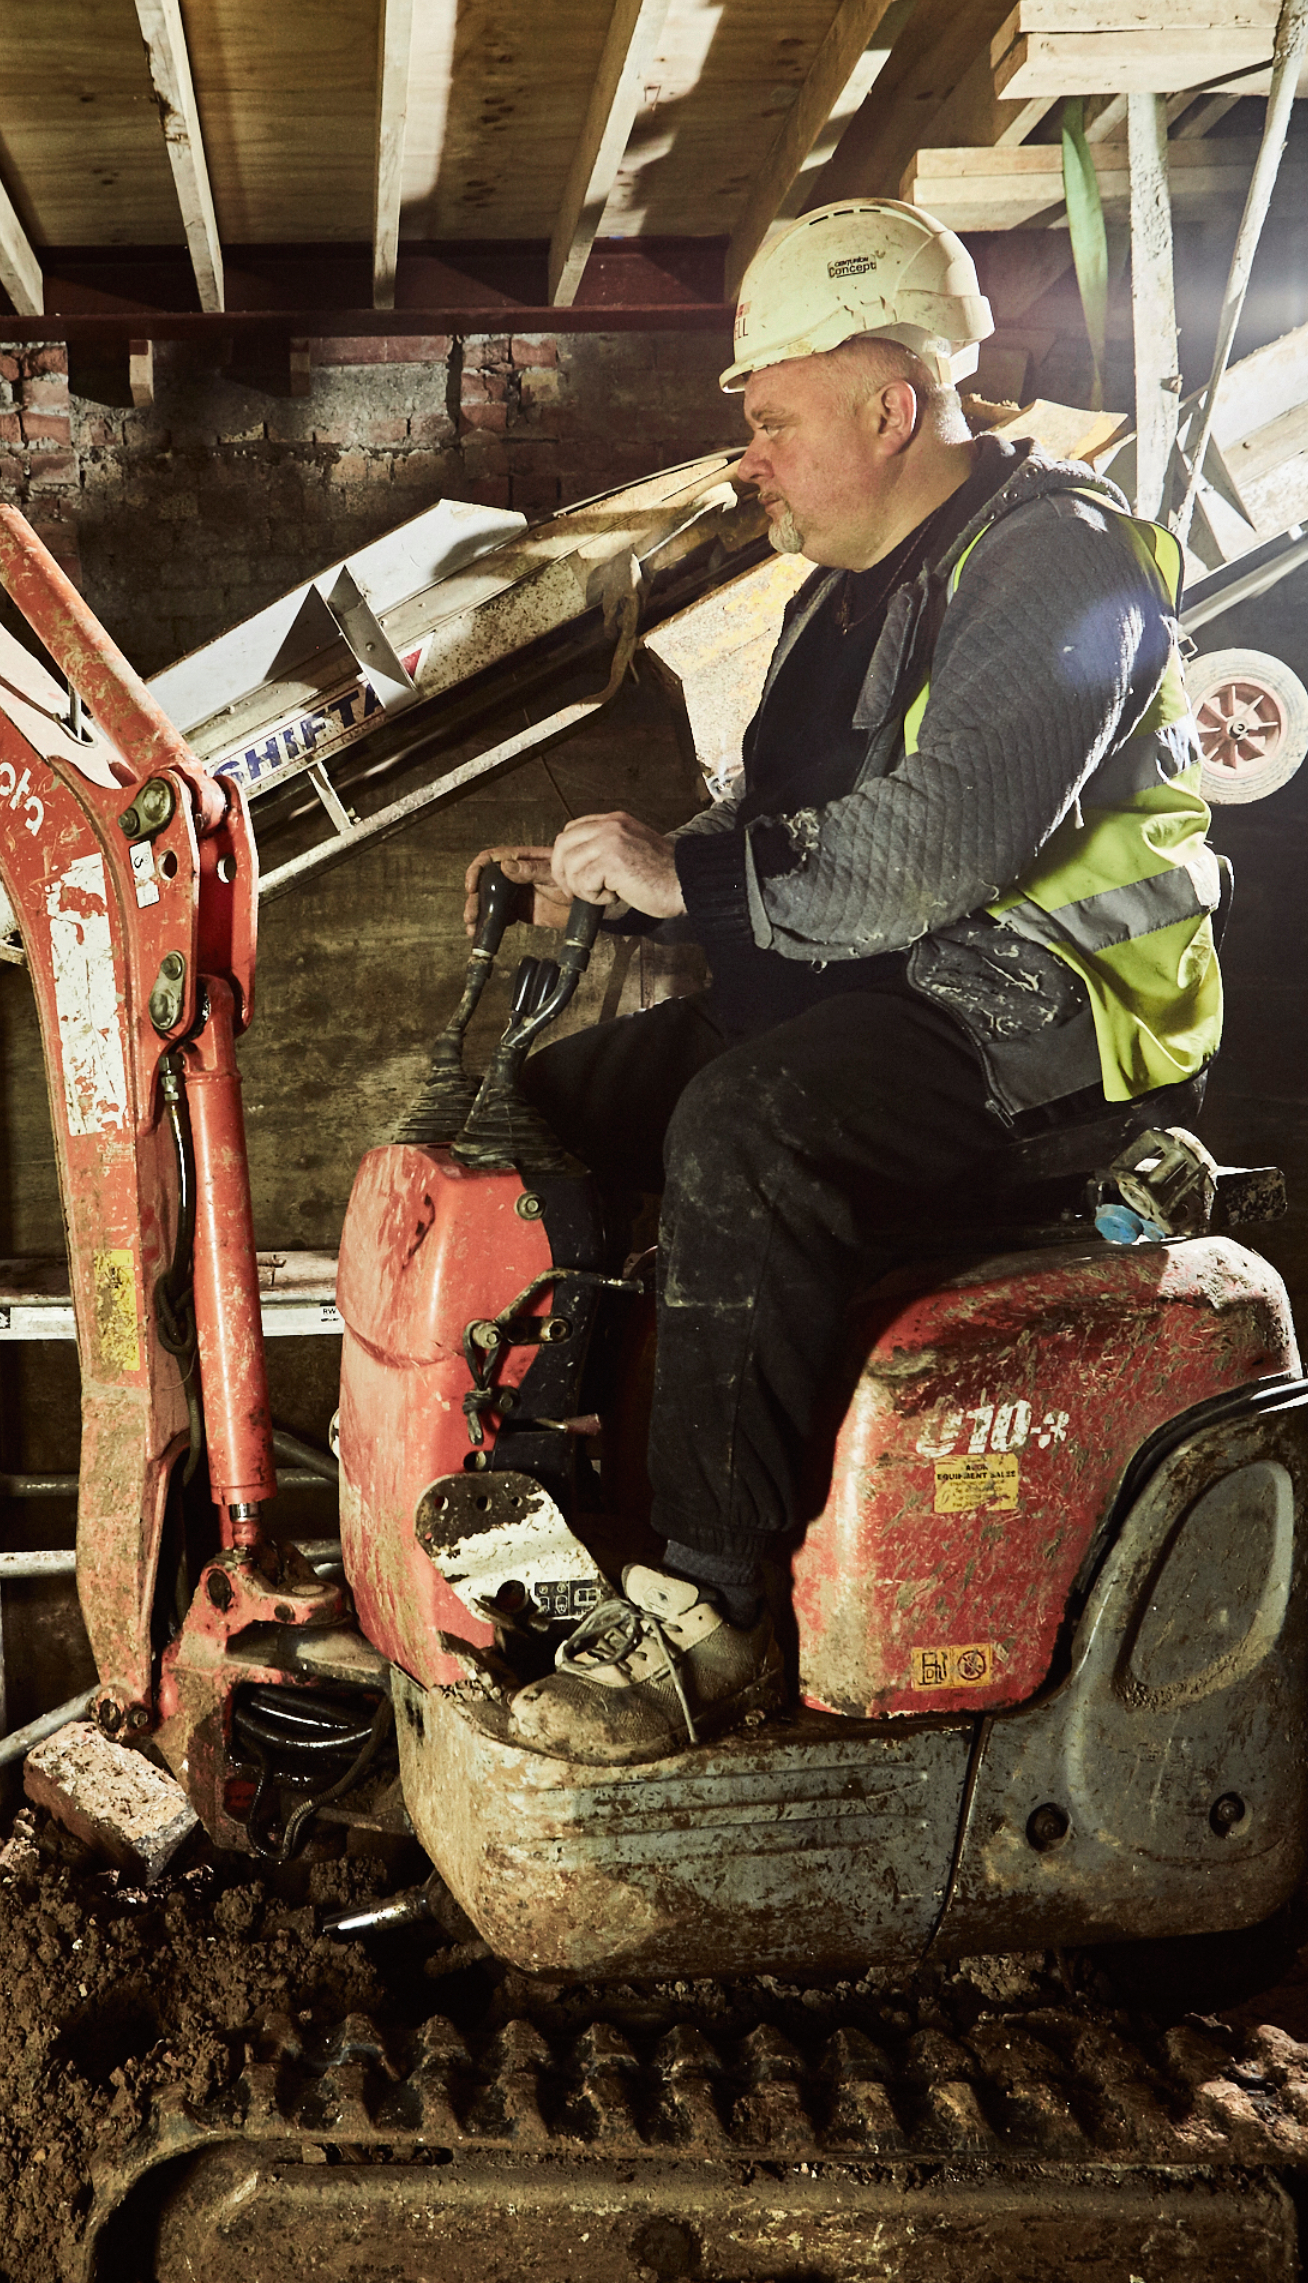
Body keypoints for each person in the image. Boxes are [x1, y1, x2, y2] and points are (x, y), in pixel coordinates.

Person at [467, 199, 1222, 1767]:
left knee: (749, 1126)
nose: (748, 456)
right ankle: (557, 1487)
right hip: (896, 996)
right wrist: (615, 875)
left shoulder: (1061, 564)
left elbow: (936, 845)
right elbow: (777, 833)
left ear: (895, 409)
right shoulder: (831, 593)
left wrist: (687, 881)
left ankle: (711, 1611)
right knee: (552, 1098)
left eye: (771, 420)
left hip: (1047, 1018)